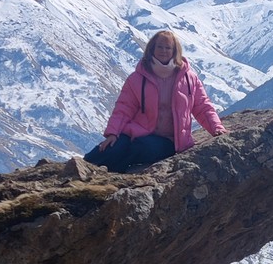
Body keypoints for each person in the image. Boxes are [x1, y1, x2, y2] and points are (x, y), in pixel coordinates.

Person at [84, 29, 226, 170]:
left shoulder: (189, 79)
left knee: (143, 147)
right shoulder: (137, 78)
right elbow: (124, 108)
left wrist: (217, 128)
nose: (163, 51)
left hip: (169, 141)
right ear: (152, 49)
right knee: (113, 146)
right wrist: (113, 133)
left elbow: (203, 106)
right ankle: (81, 166)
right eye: (159, 47)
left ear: (175, 51)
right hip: (137, 132)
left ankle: (111, 171)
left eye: (168, 47)